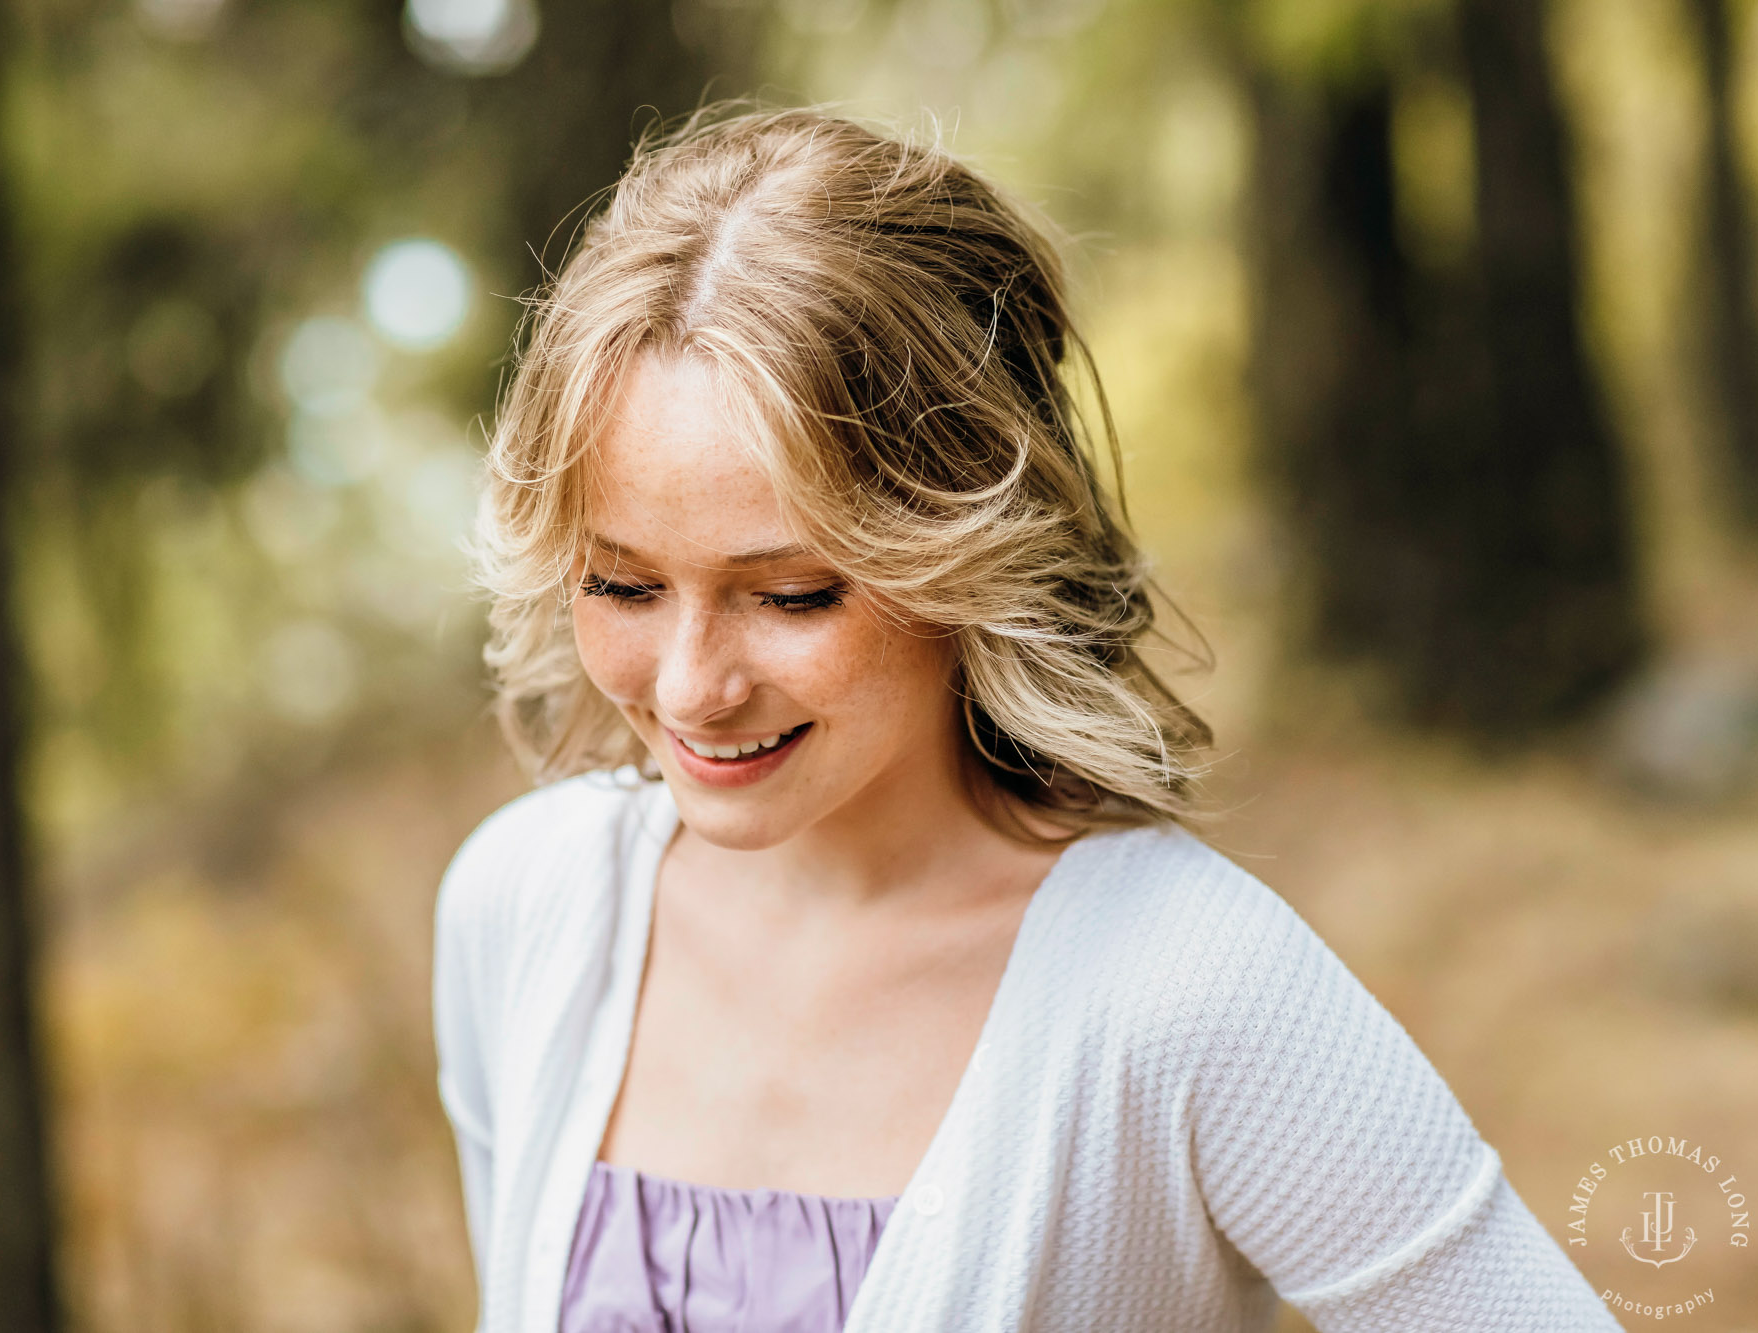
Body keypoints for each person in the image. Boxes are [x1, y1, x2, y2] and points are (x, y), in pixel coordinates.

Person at [432, 107, 1620, 1332]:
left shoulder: (1184, 989)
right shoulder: (519, 910)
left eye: (789, 594)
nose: (690, 688)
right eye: (620, 583)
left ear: (968, 555)